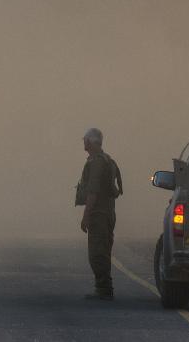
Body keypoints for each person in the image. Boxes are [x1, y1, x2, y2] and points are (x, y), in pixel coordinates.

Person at [77, 127, 123, 300]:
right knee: (103, 250)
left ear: (91, 141)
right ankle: (104, 287)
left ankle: (104, 288)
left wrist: (86, 216)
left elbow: (93, 192)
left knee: (97, 253)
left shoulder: (97, 162)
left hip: (99, 214)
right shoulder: (107, 160)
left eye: (85, 140)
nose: (84, 143)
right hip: (107, 213)